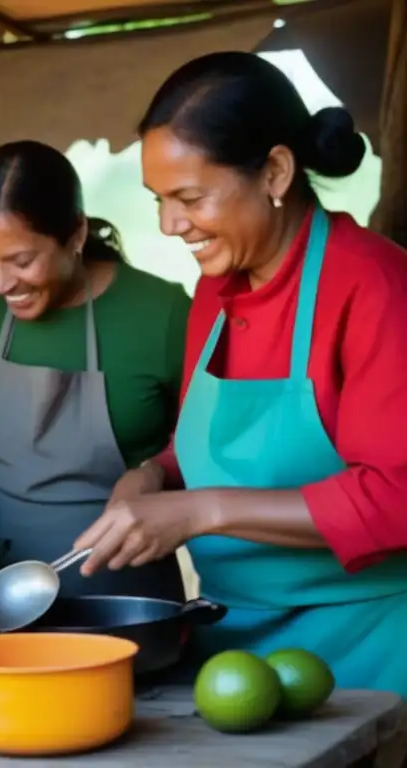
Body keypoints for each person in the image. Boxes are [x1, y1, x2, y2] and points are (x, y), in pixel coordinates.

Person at [74, 51, 407, 695]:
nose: (169, 225)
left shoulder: (374, 284)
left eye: (189, 197)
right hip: (231, 643)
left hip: (368, 645)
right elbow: (209, 441)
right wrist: (152, 476)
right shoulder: (216, 290)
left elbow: (397, 496)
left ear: (276, 171)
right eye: (158, 200)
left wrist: (201, 512)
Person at [0, 140, 189, 601]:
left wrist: (152, 475)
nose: (2, 283)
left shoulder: (162, 312)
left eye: (22, 261)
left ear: (75, 235)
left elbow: (206, 443)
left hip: (123, 593)